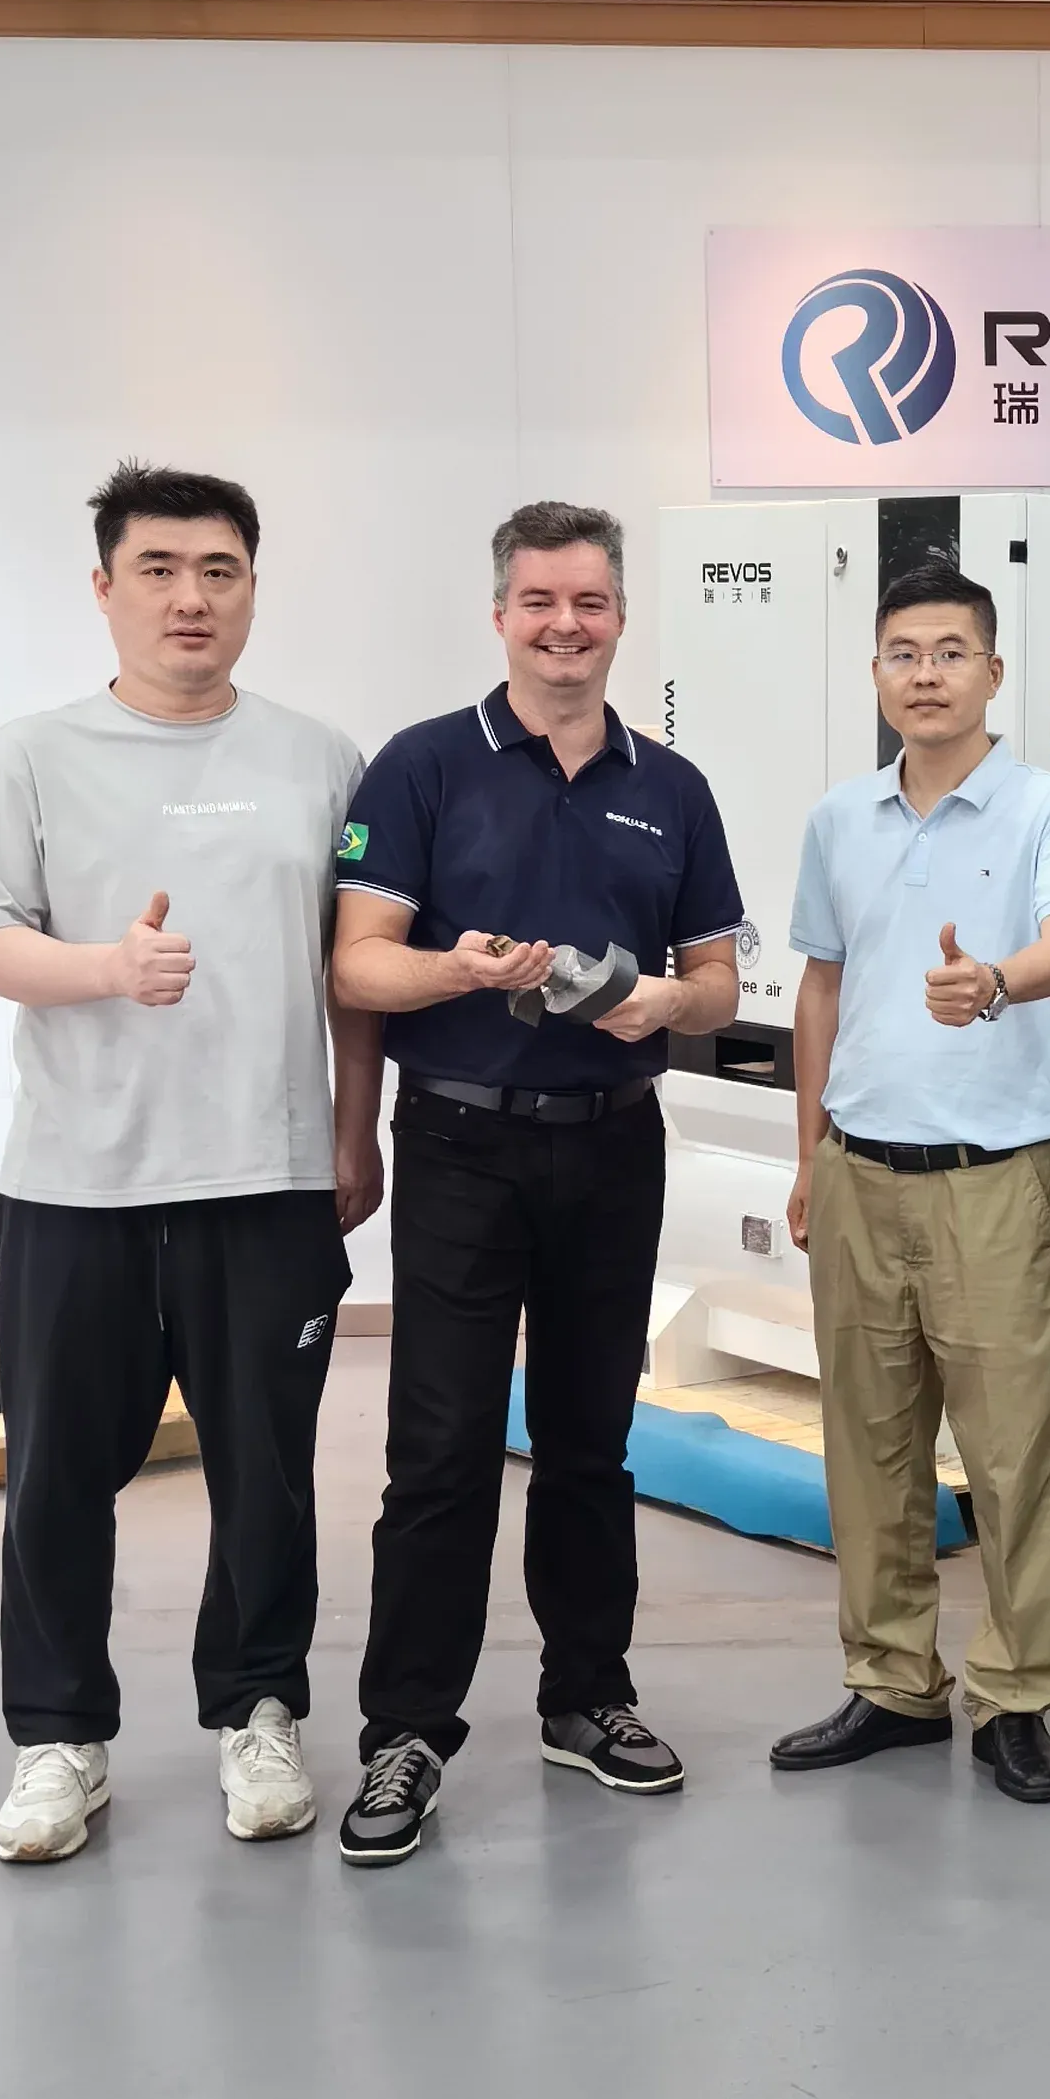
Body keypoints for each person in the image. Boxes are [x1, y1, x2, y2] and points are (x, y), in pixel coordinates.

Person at [0, 464, 381, 1864]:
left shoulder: (322, 758)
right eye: (159, 568)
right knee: (56, 1477)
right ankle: (58, 1737)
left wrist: (354, 1130)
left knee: (270, 1475)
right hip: (80, 1183)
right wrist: (108, 969)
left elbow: (355, 968)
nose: (191, 597)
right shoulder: (29, 754)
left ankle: (259, 1709)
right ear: (105, 586)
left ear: (251, 587)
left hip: (268, 1176)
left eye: (219, 570)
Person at [328, 501, 743, 1865]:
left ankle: (587, 1695)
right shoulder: (423, 765)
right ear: (500, 613)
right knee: (440, 1448)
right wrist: (458, 968)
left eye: (590, 602)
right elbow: (357, 963)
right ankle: (407, 1729)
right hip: (461, 1144)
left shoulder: (670, 786)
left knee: (588, 1440)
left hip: (615, 1143)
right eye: (541, 601)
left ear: (620, 616)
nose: (567, 626)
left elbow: (718, 982)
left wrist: (665, 1003)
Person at [767, 560, 1050, 1808]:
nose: (926, 674)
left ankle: (1016, 1693)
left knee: (1013, 1454)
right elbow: (819, 987)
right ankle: (892, 1680)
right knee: (869, 1449)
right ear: (875, 673)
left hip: (993, 1182)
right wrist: (809, 1154)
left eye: (951, 652)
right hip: (860, 1173)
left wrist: (998, 981)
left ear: (994, 672)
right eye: (903, 653)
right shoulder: (838, 819)